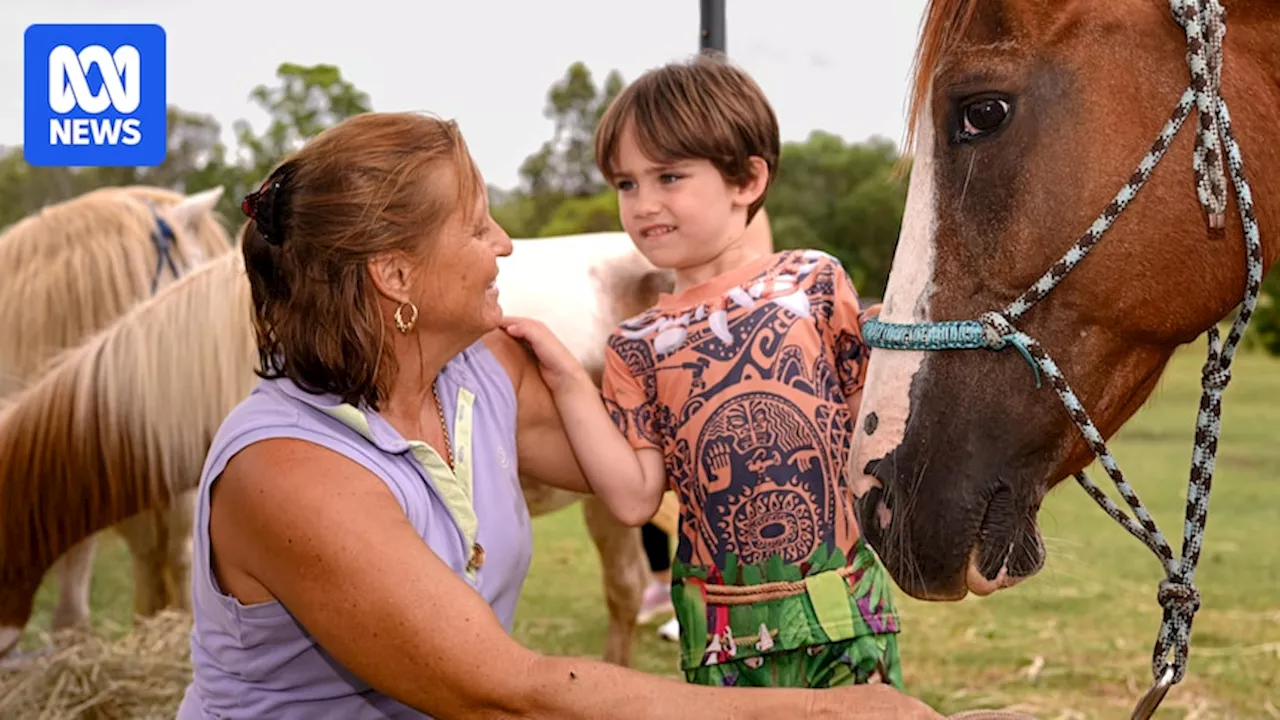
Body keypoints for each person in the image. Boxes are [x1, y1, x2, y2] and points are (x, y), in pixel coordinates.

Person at [175, 110, 939, 719]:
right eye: (478, 226)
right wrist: (827, 712)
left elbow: (676, 461)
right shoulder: (288, 474)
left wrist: (802, 353)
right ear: (395, 275)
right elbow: (505, 694)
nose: (505, 245)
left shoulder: (479, 373)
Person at [501, 52, 904, 691]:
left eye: (668, 177)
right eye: (626, 184)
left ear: (746, 180)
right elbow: (634, 497)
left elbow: (871, 443)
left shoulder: (813, 284)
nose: (642, 204)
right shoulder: (636, 346)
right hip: (720, 639)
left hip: (844, 614)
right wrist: (568, 381)